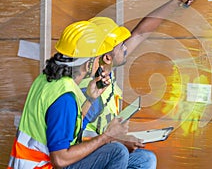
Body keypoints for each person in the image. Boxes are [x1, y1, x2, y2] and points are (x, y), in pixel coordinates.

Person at [81, 0, 200, 166]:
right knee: (119, 152)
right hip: (89, 154)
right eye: (121, 46)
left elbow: (141, 32)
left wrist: (178, 0)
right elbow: (77, 138)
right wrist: (118, 140)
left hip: (106, 144)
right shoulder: (87, 88)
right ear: (107, 57)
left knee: (146, 159)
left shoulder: (105, 71)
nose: (126, 47)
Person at [7, 21, 140, 169]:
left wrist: (90, 99)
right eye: (97, 57)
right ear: (88, 64)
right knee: (117, 152)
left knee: (142, 159)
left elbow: (70, 131)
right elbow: (60, 160)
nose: (100, 62)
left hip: (36, 163)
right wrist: (107, 136)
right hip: (43, 165)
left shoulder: (49, 80)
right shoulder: (64, 98)